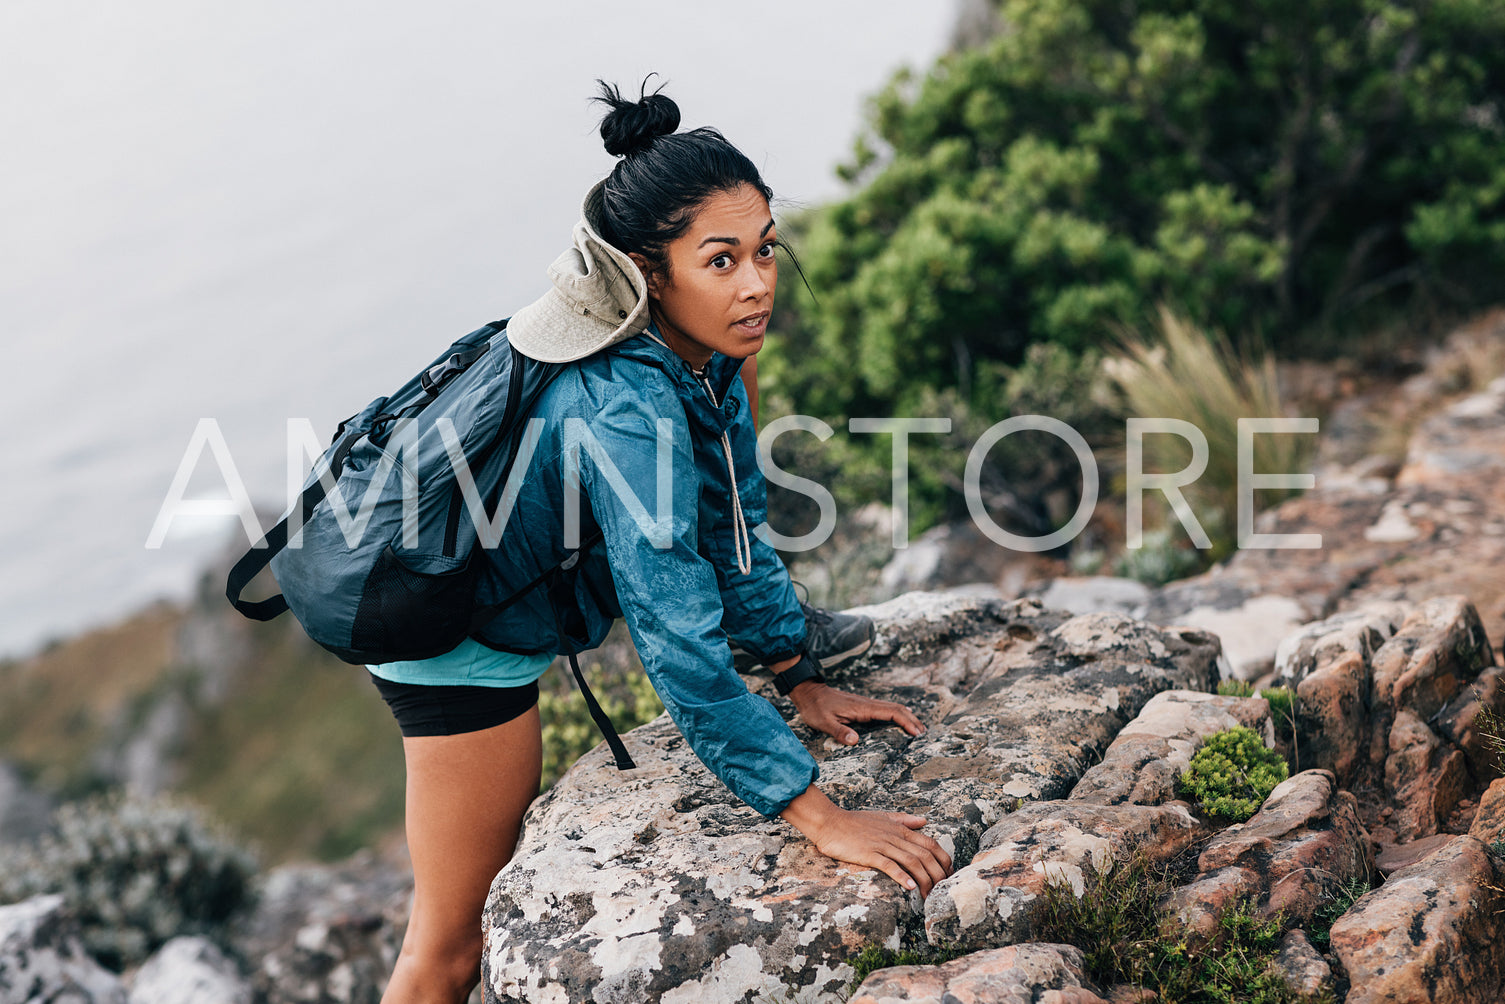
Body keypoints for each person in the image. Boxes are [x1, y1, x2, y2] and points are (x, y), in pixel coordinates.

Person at [367, 81, 953, 1004]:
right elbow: (672, 631)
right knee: (449, 944)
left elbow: (733, 528)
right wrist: (814, 812)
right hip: (453, 643)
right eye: (720, 261)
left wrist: (794, 669)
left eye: (764, 250)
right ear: (647, 272)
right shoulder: (625, 406)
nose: (758, 282)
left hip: (494, 586)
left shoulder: (706, 354)